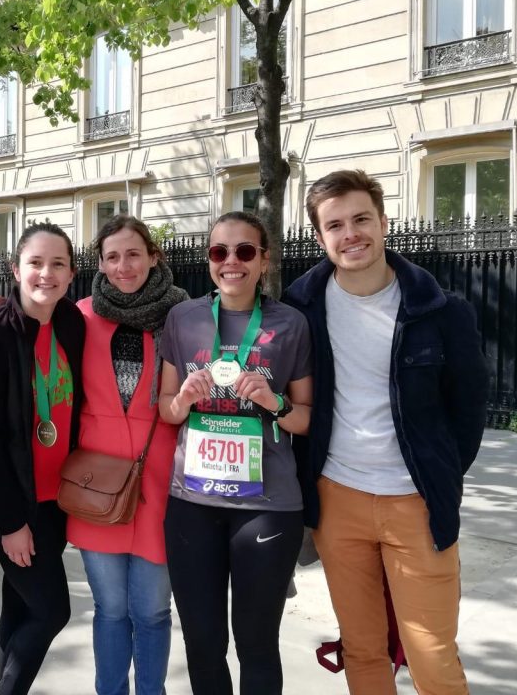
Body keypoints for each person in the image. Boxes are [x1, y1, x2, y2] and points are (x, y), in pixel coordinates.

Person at [284, 169, 488, 695]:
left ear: (382, 221)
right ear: (320, 236)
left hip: (415, 502)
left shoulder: (441, 312)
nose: (350, 234)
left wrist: (434, 473)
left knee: (432, 654)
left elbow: (467, 415)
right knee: (363, 649)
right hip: (337, 500)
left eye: (360, 219)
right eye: (335, 225)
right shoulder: (299, 310)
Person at [158, 211, 313, 695]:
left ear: (264, 260)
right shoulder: (183, 318)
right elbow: (165, 410)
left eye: (245, 251)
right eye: (219, 252)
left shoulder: (291, 323)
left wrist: (274, 401)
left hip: (267, 507)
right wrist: (183, 399)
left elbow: (305, 416)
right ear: (208, 261)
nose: (231, 262)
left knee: (256, 643)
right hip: (192, 504)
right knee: (203, 644)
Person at [0, 222, 85, 695]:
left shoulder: (72, 324)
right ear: (16, 270)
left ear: (71, 274)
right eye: (36, 263)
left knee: (20, 607)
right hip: (19, 502)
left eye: (57, 264)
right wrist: (11, 521)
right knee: (54, 610)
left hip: (60, 499)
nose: (46, 274)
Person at [69, 216, 188, 695]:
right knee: (112, 610)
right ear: (99, 263)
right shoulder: (77, 316)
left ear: (153, 257)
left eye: (133, 254)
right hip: (96, 484)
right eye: (112, 256)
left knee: (154, 612)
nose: (123, 266)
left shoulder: (182, 316)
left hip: (161, 480)